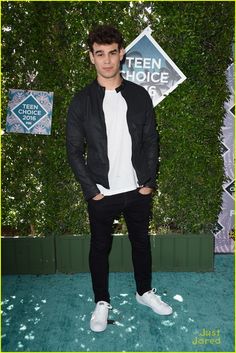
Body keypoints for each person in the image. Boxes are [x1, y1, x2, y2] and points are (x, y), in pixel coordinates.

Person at [66, 25, 173, 333]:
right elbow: (73, 150)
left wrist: (148, 182)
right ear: (91, 58)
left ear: (121, 53)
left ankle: (144, 292)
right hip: (102, 192)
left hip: (137, 189)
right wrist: (92, 190)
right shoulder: (82, 101)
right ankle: (101, 301)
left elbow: (151, 141)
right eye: (100, 54)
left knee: (141, 242)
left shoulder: (139, 96)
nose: (107, 60)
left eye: (112, 53)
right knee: (99, 246)